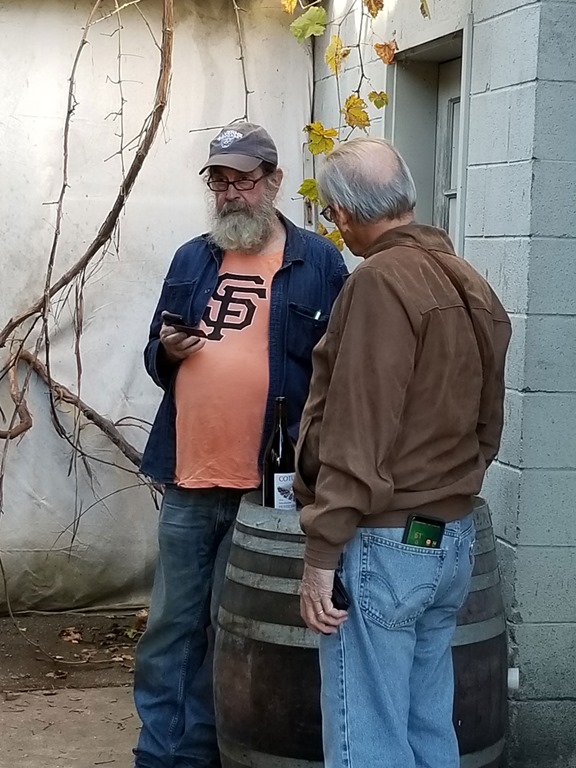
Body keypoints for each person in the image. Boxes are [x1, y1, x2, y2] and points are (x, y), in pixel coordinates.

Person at [133, 121, 347, 768]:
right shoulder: (190, 259)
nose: (230, 193)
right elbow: (156, 355)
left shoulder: (319, 263)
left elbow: (338, 373)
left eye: (243, 180)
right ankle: (165, 755)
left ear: (274, 181)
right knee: (171, 628)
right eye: (219, 181)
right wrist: (168, 350)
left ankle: (220, 750)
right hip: (189, 474)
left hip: (267, 488)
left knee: (234, 629)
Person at [295, 137, 511, 768]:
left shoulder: (379, 282)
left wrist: (320, 555)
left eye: (332, 213)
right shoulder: (470, 281)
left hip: (385, 545)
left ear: (343, 212)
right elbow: (488, 425)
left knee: (368, 741)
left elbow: (357, 427)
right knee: (426, 728)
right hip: (448, 540)